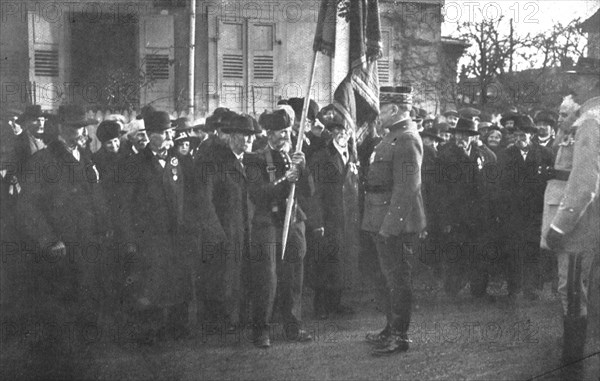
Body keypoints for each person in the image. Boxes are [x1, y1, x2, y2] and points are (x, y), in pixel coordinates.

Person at [17, 105, 109, 376]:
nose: (78, 132)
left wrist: (104, 227)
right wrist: (48, 240)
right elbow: (27, 208)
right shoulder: (43, 161)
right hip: (60, 249)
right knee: (60, 314)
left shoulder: (86, 157)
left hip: (87, 245)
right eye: (72, 127)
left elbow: (96, 196)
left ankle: (82, 365)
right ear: (59, 129)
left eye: (81, 127)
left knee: (86, 305)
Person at [541, 57, 600, 369]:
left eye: (579, 78)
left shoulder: (591, 120)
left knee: (573, 290)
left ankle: (572, 363)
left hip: (580, 223)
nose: (573, 83)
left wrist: (560, 226)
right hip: (591, 219)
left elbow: (583, 183)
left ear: (593, 80)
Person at [361, 86, 426, 355]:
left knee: (398, 280)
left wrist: (390, 225)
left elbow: (407, 188)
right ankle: (391, 327)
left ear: (396, 110)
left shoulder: (407, 139)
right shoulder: (392, 137)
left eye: (383, 110)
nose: (379, 116)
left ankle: (400, 335)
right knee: (386, 279)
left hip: (396, 224)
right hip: (381, 220)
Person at [121, 110, 191, 343]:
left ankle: (175, 327)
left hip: (175, 234)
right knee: (151, 283)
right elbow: (125, 206)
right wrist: (130, 239)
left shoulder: (176, 160)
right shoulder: (134, 164)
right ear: (151, 135)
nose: (170, 136)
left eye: (170, 131)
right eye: (164, 132)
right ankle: (150, 331)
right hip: (149, 236)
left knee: (175, 280)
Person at [245, 109, 313, 348]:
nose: (284, 136)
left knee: (294, 277)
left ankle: (293, 326)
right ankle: (261, 331)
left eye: (287, 131)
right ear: (268, 133)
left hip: (293, 221)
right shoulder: (255, 159)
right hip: (268, 224)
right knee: (268, 278)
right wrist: (287, 180)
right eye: (279, 132)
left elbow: (309, 191)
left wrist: (303, 169)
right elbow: (259, 194)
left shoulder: (295, 156)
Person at [196, 114, 256, 332]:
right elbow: (205, 202)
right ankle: (221, 322)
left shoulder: (249, 162)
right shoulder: (214, 162)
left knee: (242, 276)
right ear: (232, 137)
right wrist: (216, 233)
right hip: (224, 231)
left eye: (251, 136)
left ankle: (238, 318)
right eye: (244, 136)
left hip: (245, 229)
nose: (249, 140)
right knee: (223, 278)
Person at [438, 117, 497, 300]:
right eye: (458, 134)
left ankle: (479, 290)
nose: (460, 138)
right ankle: (452, 289)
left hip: (479, 214)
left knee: (479, 251)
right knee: (455, 251)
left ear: (473, 137)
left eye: (465, 135)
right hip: (456, 212)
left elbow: (490, 183)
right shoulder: (445, 154)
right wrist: (446, 218)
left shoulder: (484, 154)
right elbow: (441, 189)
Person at [497, 115, 554, 302]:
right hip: (512, 211)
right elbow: (500, 184)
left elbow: (549, 182)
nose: (520, 139)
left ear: (531, 135)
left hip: (535, 210)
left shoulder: (544, 154)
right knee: (513, 248)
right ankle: (514, 287)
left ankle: (532, 287)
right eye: (517, 135)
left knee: (532, 248)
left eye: (524, 135)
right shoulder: (506, 155)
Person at [309, 121, 359, 319]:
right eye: (338, 130)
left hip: (347, 217)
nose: (342, 134)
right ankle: (320, 306)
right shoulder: (321, 157)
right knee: (325, 262)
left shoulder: (351, 154)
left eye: (345, 130)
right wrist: (317, 220)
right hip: (329, 218)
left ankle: (336, 303)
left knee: (341, 261)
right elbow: (315, 192)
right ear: (330, 134)